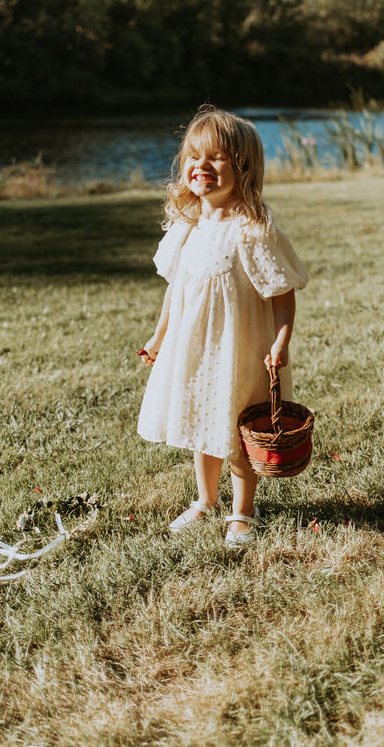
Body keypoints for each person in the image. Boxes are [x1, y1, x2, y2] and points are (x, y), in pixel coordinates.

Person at [137, 106, 308, 545]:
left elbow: (281, 292)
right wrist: (159, 336)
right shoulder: (187, 226)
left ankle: (242, 512)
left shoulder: (251, 230)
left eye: (216, 158)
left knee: (235, 429)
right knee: (201, 420)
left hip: (239, 348)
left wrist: (282, 341)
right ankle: (204, 500)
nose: (202, 167)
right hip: (193, 347)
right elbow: (176, 290)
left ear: (243, 167)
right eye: (194, 157)